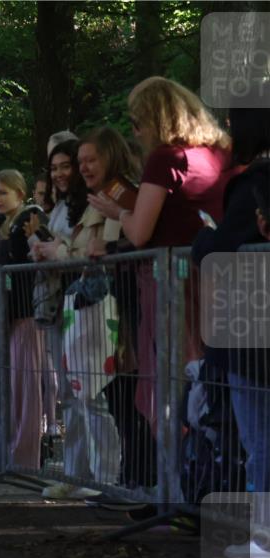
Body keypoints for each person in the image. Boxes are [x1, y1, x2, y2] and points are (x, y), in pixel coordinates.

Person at [88, 76, 236, 437]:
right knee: (214, 376)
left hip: (174, 283)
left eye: (137, 122)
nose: (135, 132)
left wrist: (116, 212)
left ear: (155, 119)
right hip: (219, 278)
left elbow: (139, 232)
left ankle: (176, 476)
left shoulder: (166, 158)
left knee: (172, 380)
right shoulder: (221, 153)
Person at [32, 128, 141, 496]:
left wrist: (58, 253)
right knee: (75, 395)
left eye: (82, 162)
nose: (76, 170)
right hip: (73, 309)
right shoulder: (79, 203)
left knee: (96, 395)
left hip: (101, 309)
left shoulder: (115, 196)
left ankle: (105, 479)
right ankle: (76, 475)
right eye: (68, 165)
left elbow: (103, 255)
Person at [192, 101, 270, 558]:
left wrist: (206, 239)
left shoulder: (254, 184)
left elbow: (222, 249)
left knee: (259, 438)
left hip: (252, 337)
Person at [0, 169, 48, 470]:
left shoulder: (30, 218)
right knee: (13, 386)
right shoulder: (4, 226)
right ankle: (11, 451)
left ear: (19, 193)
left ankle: (26, 457)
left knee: (27, 388)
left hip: (27, 314)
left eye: (3, 192)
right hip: (10, 316)